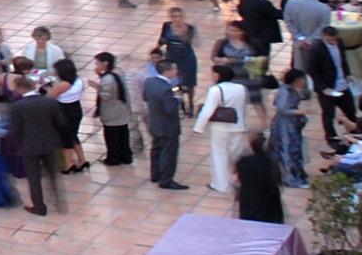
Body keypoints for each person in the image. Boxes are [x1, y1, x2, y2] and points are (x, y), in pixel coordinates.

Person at [6, 76, 64, 215]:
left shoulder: (17, 106)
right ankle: (58, 201)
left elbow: (14, 130)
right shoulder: (50, 102)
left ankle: (39, 207)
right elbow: (61, 123)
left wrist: (10, 146)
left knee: (34, 178)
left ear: (20, 88)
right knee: (52, 174)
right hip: (49, 143)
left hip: (29, 146)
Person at [193, 63, 250, 193]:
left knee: (219, 155)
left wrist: (199, 127)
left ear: (218, 75)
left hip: (220, 127)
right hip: (238, 126)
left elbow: (208, 109)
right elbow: (245, 107)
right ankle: (236, 180)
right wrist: (246, 123)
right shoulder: (241, 88)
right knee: (235, 155)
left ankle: (220, 184)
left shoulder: (216, 89)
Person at [303, 26, 360, 146]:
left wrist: (348, 74)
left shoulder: (340, 43)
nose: (333, 42)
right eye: (330, 39)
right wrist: (323, 88)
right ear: (323, 37)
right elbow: (312, 70)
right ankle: (331, 138)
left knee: (351, 110)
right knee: (328, 115)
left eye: (334, 39)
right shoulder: (316, 49)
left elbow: (343, 61)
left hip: (342, 85)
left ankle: (354, 133)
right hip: (327, 88)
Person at [144, 60, 187, 190]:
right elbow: (170, 109)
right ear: (167, 71)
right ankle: (166, 180)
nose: (176, 71)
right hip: (168, 126)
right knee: (169, 153)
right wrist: (178, 98)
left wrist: (175, 90)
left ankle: (155, 175)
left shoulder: (149, 82)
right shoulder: (166, 89)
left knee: (156, 150)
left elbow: (145, 97)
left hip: (155, 123)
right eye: (174, 69)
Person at [90, 52, 134, 166]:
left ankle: (113, 159)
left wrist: (96, 86)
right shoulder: (118, 72)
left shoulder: (108, 79)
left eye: (98, 63)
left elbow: (106, 96)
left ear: (105, 63)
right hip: (122, 110)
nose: (96, 65)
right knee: (123, 135)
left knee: (112, 137)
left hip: (112, 112)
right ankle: (126, 157)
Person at [269, 69, 311, 187]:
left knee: (294, 148)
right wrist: (299, 112)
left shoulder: (291, 90)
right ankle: (289, 178)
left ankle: (295, 173)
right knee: (287, 150)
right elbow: (281, 108)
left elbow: (306, 95)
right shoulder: (285, 91)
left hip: (291, 124)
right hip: (285, 125)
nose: (304, 82)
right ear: (296, 80)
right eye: (303, 79)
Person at [234, 131, 286, 224]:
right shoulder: (270, 162)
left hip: (249, 199)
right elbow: (278, 179)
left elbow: (238, 178)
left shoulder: (243, 162)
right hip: (269, 199)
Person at [156, 8, 200, 115]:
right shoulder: (167, 26)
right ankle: (180, 103)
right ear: (171, 17)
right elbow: (161, 40)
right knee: (175, 82)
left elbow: (189, 41)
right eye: (174, 17)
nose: (177, 19)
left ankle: (191, 103)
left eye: (180, 16)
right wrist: (157, 51)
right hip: (172, 56)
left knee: (189, 82)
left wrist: (183, 33)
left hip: (186, 57)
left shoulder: (189, 28)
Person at [49, 58, 89, 173]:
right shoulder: (79, 80)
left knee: (65, 139)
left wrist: (49, 88)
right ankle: (82, 160)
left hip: (64, 111)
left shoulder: (62, 85)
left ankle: (69, 164)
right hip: (76, 108)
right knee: (73, 135)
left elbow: (49, 97)